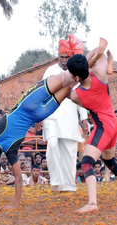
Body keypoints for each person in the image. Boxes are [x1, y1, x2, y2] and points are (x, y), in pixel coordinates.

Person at [0, 59, 81, 210]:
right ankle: (92, 59)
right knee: (68, 76)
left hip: (40, 113)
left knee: (72, 84)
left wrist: (14, 205)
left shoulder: (10, 152)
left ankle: (92, 69)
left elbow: (19, 179)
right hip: (30, 100)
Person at [68, 39, 117, 213]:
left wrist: (86, 64)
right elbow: (99, 52)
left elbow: (71, 87)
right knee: (109, 161)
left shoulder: (76, 95)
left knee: (86, 162)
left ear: (76, 77)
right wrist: (97, 55)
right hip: (114, 125)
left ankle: (92, 203)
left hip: (103, 127)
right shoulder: (100, 73)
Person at [42, 34, 88, 192]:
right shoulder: (49, 71)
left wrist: (84, 118)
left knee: (69, 151)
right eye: (61, 57)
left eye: (66, 57)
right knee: (52, 144)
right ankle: (55, 181)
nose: (63, 60)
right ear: (57, 56)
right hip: (51, 115)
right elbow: (43, 93)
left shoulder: (76, 72)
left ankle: (68, 186)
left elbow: (82, 95)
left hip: (69, 116)